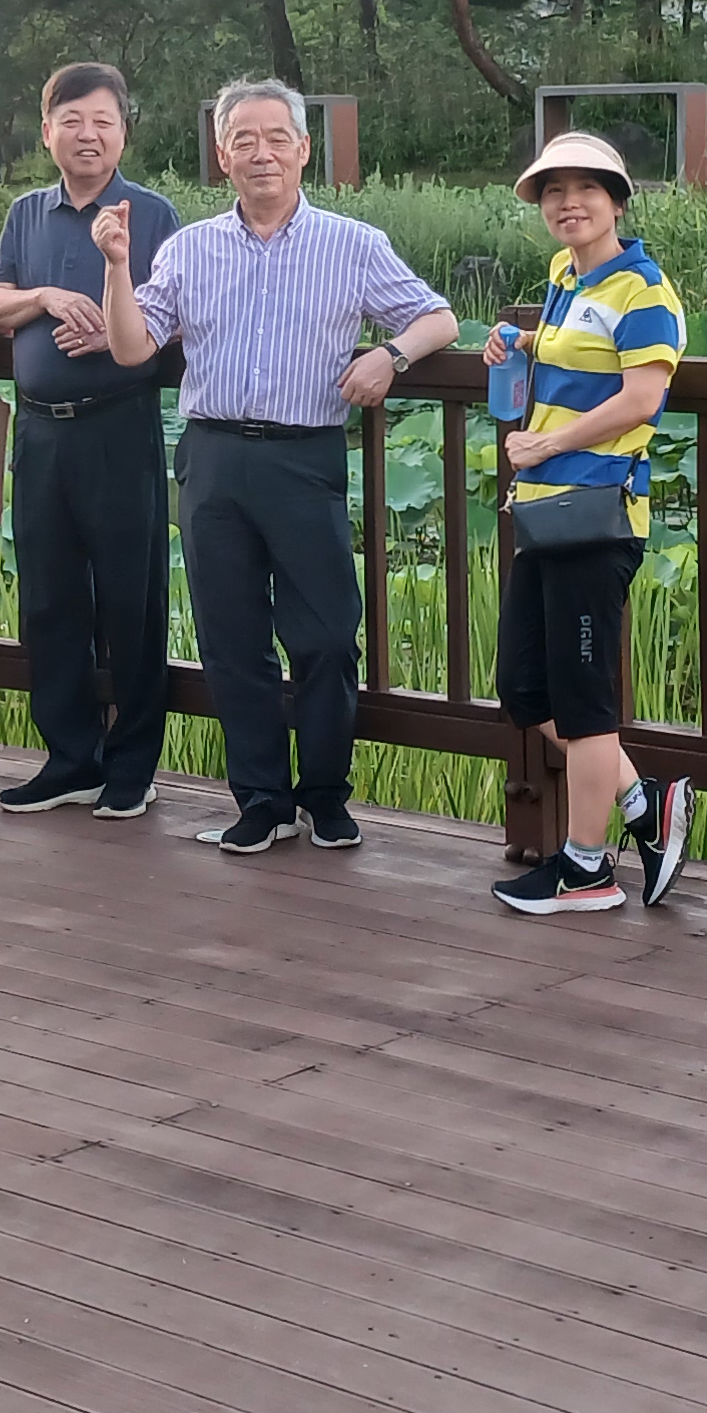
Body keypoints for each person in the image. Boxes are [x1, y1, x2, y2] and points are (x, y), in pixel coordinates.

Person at [99, 77, 455, 853]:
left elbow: (438, 317)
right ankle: (261, 799)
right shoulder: (189, 248)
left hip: (304, 457)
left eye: (276, 139)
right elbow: (131, 347)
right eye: (244, 141)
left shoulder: (353, 243)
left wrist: (391, 355)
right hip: (214, 458)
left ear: (303, 149)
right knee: (232, 640)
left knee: (325, 636)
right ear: (223, 156)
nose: (261, 154)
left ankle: (325, 793)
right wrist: (117, 265)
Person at [481, 131, 695, 914]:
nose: (568, 204)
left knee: (583, 701)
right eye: (553, 192)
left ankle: (586, 870)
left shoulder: (645, 291)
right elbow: (578, 351)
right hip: (546, 514)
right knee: (523, 687)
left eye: (586, 190)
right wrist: (522, 339)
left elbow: (641, 398)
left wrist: (548, 443)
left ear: (617, 202)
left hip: (598, 515)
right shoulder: (566, 276)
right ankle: (644, 803)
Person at [0, 64, 182, 817]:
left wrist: (120, 333)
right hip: (39, 432)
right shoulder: (27, 213)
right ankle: (69, 760)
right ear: (47, 132)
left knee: (132, 599)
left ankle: (132, 767)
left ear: (123, 132)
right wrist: (47, 296)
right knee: (50, 599)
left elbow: (180, 318)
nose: (87, 135)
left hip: (117, 426)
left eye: (102, 122)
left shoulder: (152, 213)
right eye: (72, 121)